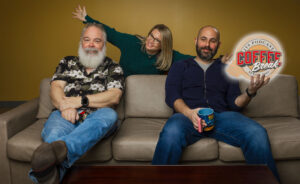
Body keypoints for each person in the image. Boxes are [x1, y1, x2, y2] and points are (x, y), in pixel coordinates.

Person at [152, 25, 280, 182]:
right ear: (196, 41)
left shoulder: (227, 69)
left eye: (212, 41)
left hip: (221, 117)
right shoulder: (179, 66)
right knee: (171, 132)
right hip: (187, 117)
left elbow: (235, 103)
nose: (207, 44)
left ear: (218, 45)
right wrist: (189, 113)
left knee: (257, 132)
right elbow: (172, 96)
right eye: (203, 39)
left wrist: (249, 92)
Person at [29, 23, 124, 184]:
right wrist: (64, 106)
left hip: (97, 118)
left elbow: (114, 96)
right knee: (53, 136)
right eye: (87, 40)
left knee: (110, 114)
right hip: (65, 114)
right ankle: (53, 173)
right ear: (81, 42)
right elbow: (56, 87)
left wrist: (79, 101)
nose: (91, 44)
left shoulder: (113, 67)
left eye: (97, 40)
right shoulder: (67, 62)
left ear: (104, 44)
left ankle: (60, 153)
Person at [72, 5, 230, 77]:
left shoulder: (169, 57)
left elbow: (195, 60)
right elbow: (110, 33)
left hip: (144, 95)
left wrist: (218, 60)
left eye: (158, 41)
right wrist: (87, 19)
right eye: (151, 36)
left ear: (164, 46)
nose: (151, 41)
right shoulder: (132, 42)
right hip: (121, 88)